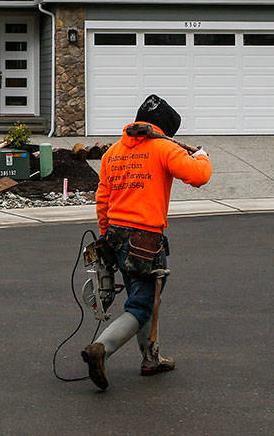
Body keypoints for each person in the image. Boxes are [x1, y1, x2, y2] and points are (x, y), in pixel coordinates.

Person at [80, 94, 212, 390]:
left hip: (115, 235)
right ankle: (101, 347)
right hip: (145, 242)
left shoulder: (113, 152)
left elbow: (102, 200)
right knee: (142, 304)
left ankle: (150, 358)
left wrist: (105, 237)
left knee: (146, 298)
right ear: (165, 128)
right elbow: (198, 176)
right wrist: (202, 155)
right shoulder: (164, 148)